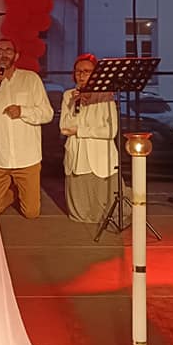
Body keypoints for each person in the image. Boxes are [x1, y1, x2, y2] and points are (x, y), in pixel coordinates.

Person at [0, 37, 53, 218]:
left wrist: (23, 111)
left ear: (16, 55)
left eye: (8, 50)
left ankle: (19, 191)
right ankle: (12, 193)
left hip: (27, 157)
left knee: (31, 213)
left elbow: (47, 114)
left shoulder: (31, 79)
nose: (4, 54)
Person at [59, 54, 119, 223]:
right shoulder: (68, 95)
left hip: (100, 156)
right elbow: (64, 127)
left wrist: (80, 130)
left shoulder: (105, 96)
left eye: (87, 71)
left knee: (105, 210)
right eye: (78, 71)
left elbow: (110, 131)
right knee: (80, 213)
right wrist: (75, 104)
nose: (82, 75)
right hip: (77, 155)